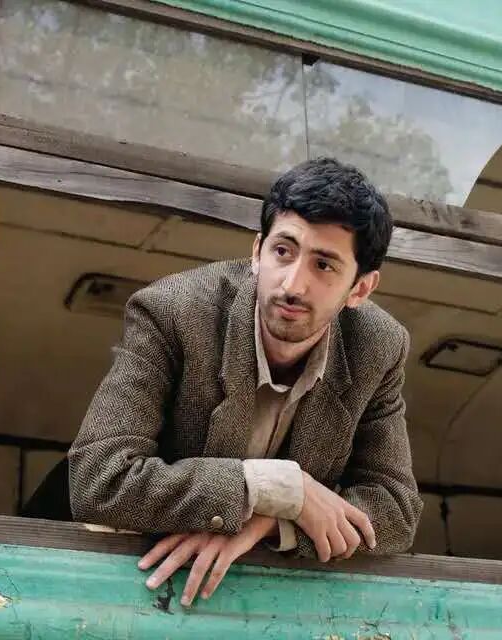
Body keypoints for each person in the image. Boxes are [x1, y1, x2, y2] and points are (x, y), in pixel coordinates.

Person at [68, 157, 422, 607]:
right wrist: (279, 487)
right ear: (257, 252)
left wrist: (272, 518)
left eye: (324, 265)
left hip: (254, 596)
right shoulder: (172, 312)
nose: (293, 284)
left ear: (360, 289)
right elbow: (98, 480)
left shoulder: (378, 346)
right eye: (283, 251)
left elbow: (395, 511)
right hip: (111, 576)